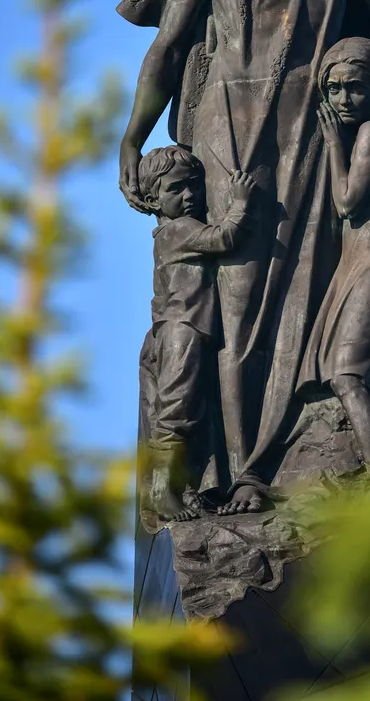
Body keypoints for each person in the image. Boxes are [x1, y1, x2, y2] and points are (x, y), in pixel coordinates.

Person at [102, 0, 370, 512]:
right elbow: (169, 45)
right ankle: (232, 465)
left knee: (300, 290)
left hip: (312, 133)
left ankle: (266, 468)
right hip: (226, 129)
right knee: (235, 298)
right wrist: (133, 136)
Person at [298, 38, 370, 482]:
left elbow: (346, 201)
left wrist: (332, 143)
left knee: (348, 378)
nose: (343, 99)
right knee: (368, 387)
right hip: (369, 263)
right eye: (334, 89)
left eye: (355, 88)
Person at [137, 145, 256, 521]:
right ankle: (162, 491)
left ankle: (184, 488)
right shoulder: (178, 230)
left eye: (193, 185)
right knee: (177, 410)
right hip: (183, 330)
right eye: (176, 189)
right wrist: (240, 202)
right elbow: (223, 238)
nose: (189, 195)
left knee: (188, 409)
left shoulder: (168, 232)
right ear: (153, 199)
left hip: (184, 330)